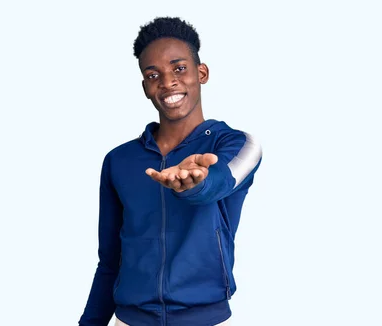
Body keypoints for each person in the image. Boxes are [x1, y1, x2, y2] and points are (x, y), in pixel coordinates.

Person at [78, 17, 262, 326]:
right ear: (145, 87)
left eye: (179, 68)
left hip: (206, 320)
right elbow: (110, 261)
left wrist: (194, 184)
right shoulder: (119, 160)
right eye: (154, 74)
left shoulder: (236, 143)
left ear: (201, 73)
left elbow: (221, 180)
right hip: (130, 320)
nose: (168, 82)